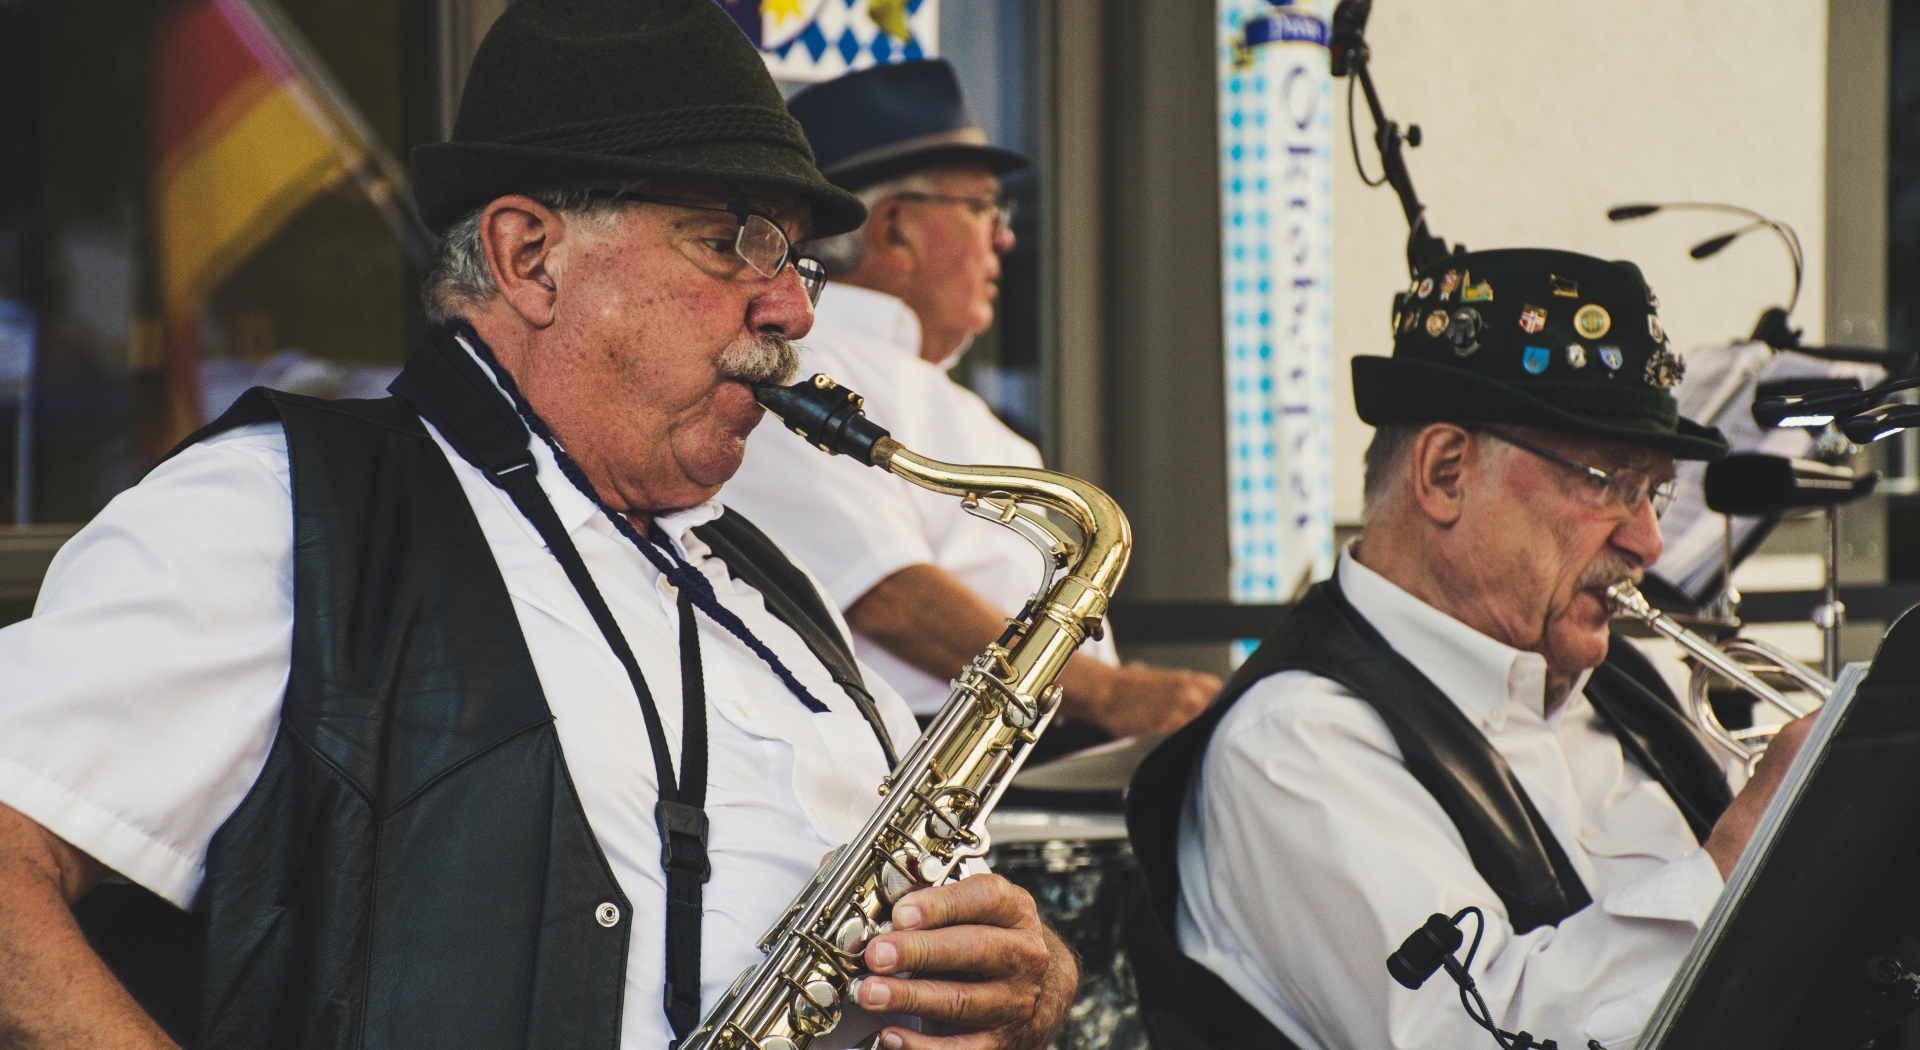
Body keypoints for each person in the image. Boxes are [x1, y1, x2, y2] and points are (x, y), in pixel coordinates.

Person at [0, 3, 1075, 1048]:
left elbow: (980, 927)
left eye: (794, 258)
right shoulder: (286, 509)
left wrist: (1033, 980)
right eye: (730, 241)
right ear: (529, 256)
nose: (792, 309)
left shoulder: (769, 588)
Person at [1126, 248, 1816, 1050]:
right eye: (1610, 482)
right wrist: (1745, 856)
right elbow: (1480, 1032)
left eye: (1654, 490)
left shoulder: (1633, 684)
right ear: (1447, 472)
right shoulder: (1294, 742)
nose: (1650, 540)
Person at [723, 59, 1217, 741]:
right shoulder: (800, 365)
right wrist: (1109, 694)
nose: (1006, 237)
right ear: (895, 229)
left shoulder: (938, 394)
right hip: (907, 765)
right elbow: (889, 596)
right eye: (984, 207)